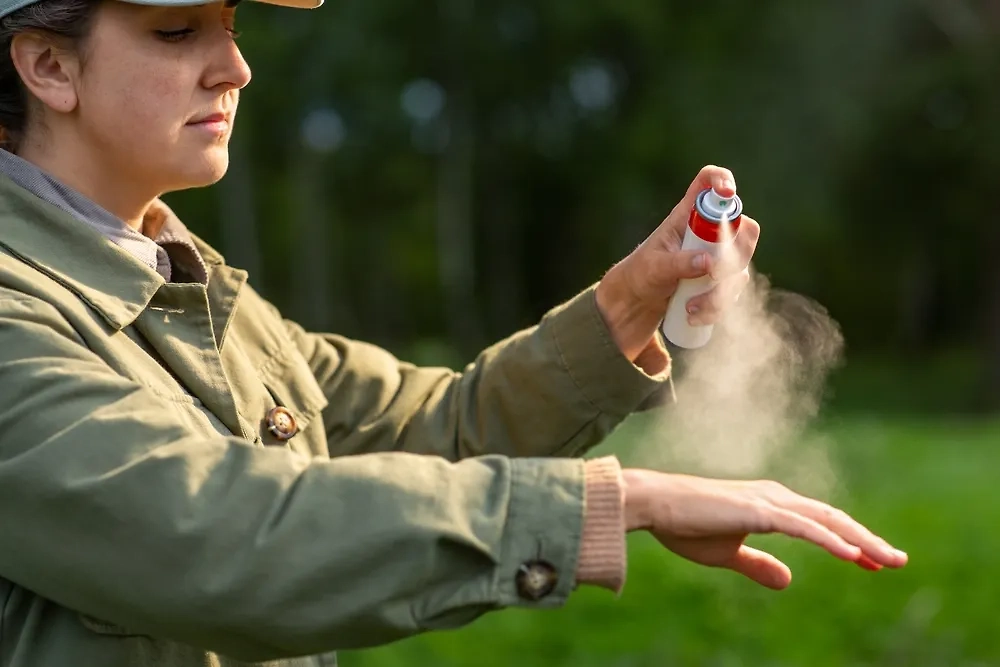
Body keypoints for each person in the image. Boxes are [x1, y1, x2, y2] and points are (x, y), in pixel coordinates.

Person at [0, 0, 907, 664]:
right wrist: (616, 503)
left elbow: (420, 432)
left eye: (231, 24)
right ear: (47, 66)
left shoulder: (181, 275)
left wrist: (623, 310)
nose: (235, 68)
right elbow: (222, 541)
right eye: (177, 30)